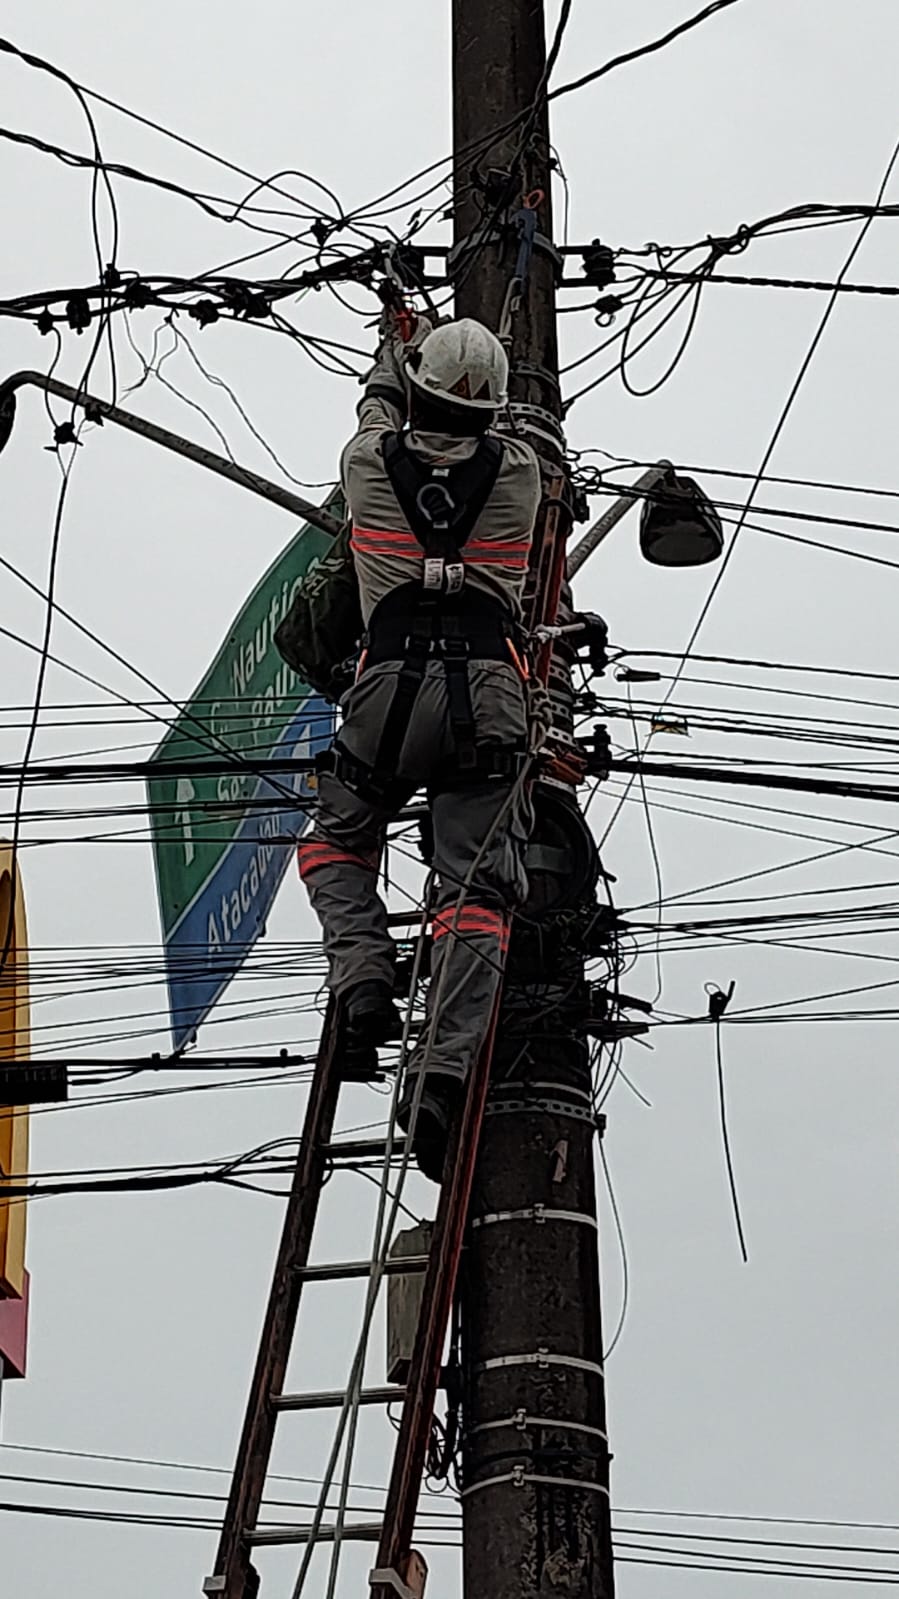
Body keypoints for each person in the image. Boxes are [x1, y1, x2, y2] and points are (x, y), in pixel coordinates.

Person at [297, 314, 542, 1180]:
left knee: (334, 840)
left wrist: (390, 347)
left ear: (419, 390)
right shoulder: (522, 473)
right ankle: (438, 1074)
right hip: (488, 691)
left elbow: (375, 407)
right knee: (475, 892)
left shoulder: (366, 464)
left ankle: (363, 978)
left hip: (387, 687)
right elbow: (493, 429)